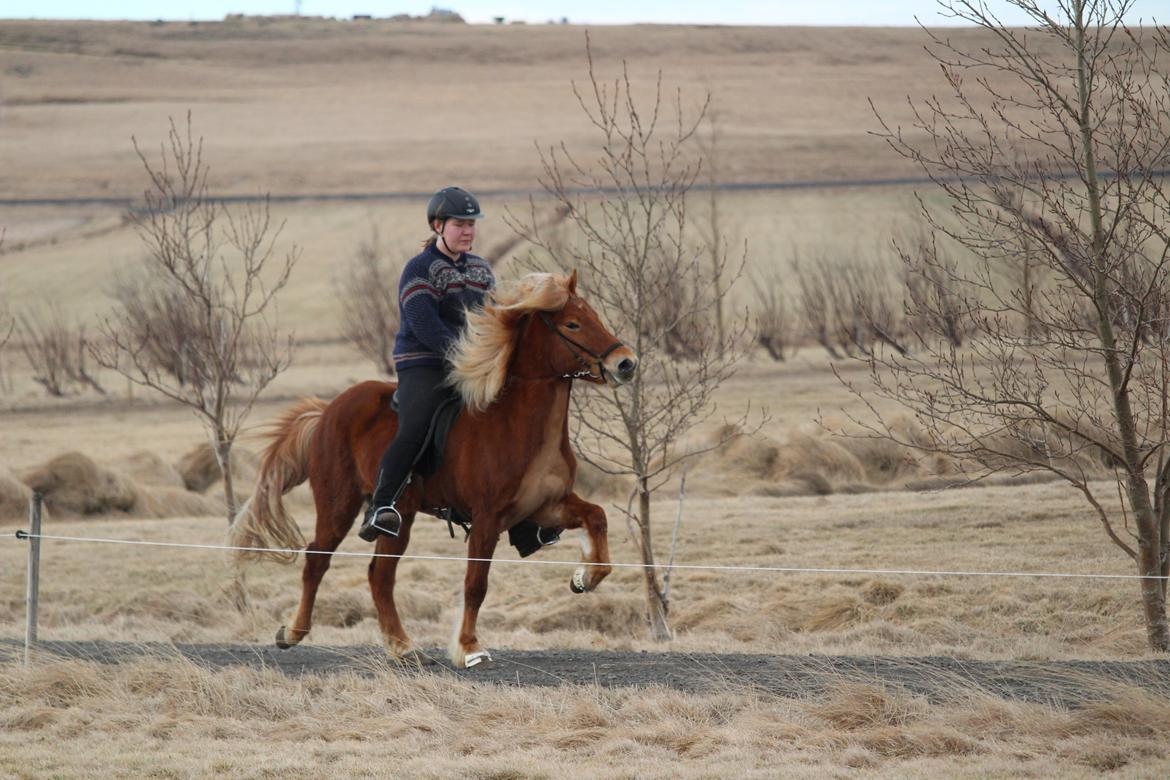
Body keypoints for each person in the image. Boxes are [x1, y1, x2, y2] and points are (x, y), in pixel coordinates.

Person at [358, 187, 560, 557]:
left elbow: (493, 318)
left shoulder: (481, 269)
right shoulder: (419, 269)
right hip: (424, 363)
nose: (467, 231)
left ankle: (524, 525)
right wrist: (473, 356)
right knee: (416, 424)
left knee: (511, 422)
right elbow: (426, 326)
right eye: (459, 224)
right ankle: (381, 505)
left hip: (473, 364)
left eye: (471, 224)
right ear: (438, 225)